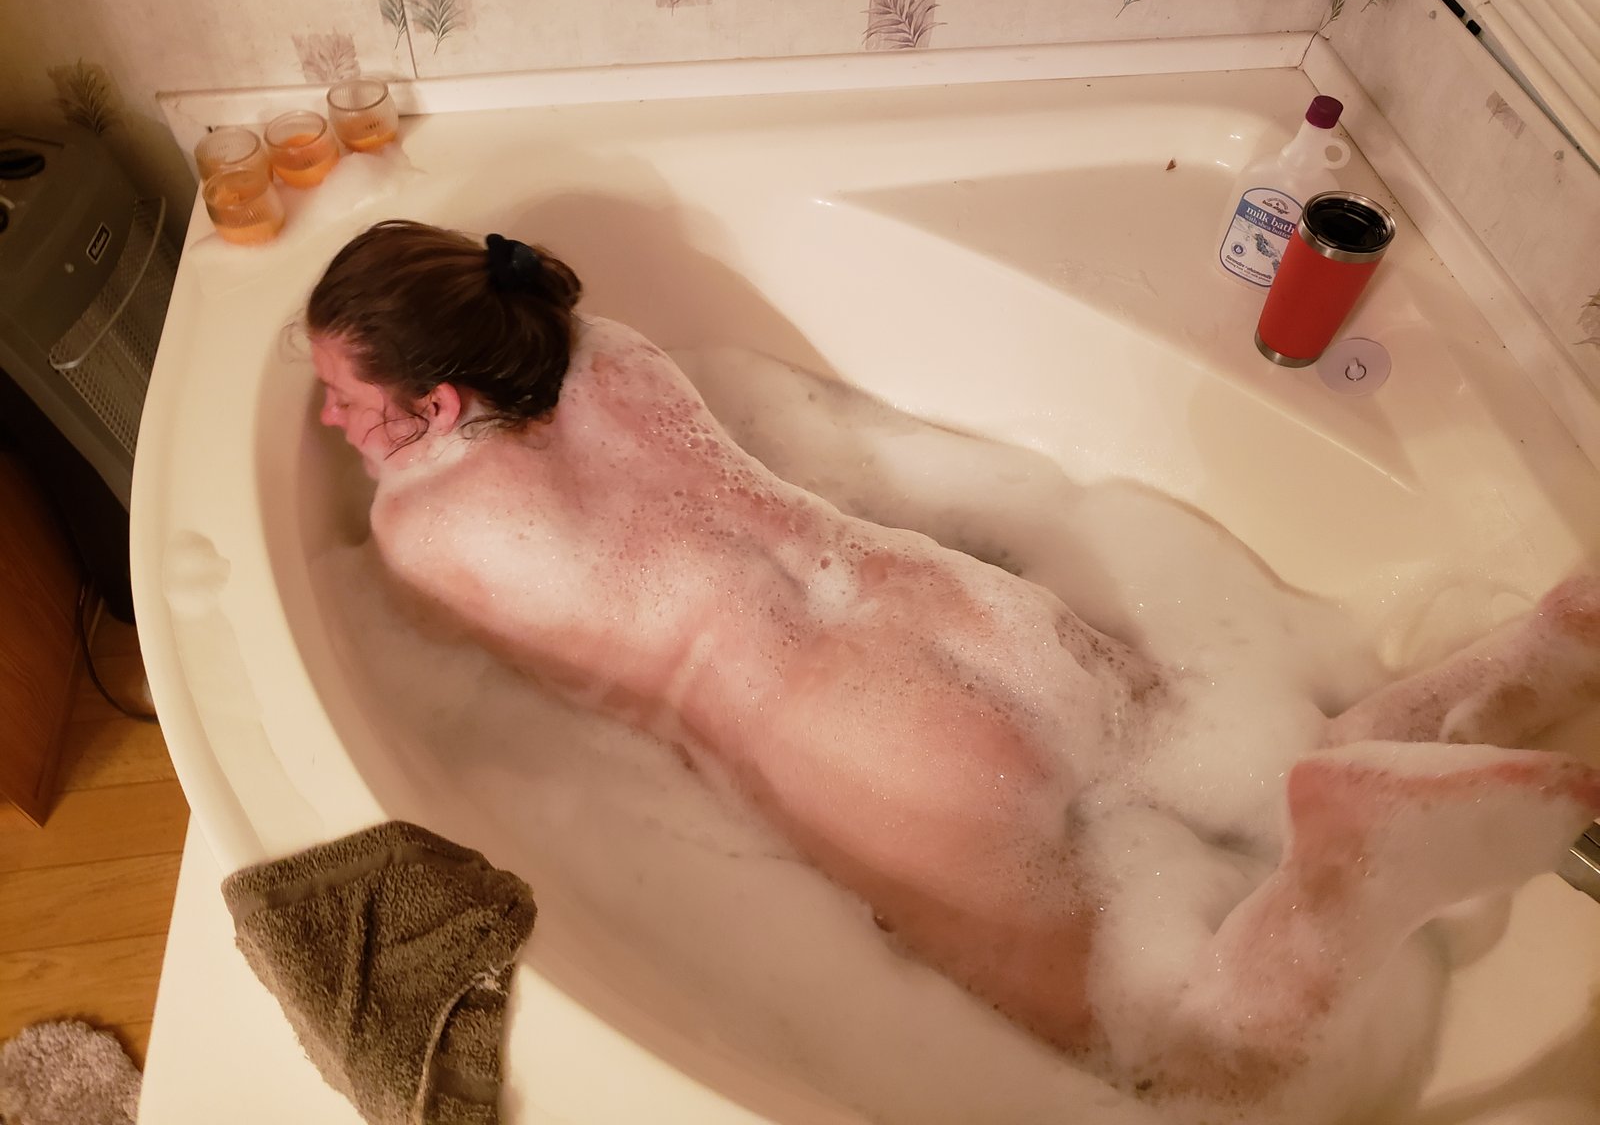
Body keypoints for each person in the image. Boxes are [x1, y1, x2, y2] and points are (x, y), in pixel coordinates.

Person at [306, 220, 1600, 1112]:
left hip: (872, 742)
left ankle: (1361, 867)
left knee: (1187, 1065)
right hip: (964, 610)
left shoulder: (428, 527)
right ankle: (1545, 646)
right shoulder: (605, 349)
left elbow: (503, 679)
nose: (329, 420)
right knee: (1245, 774)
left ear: (439, 408)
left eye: (351, 402)